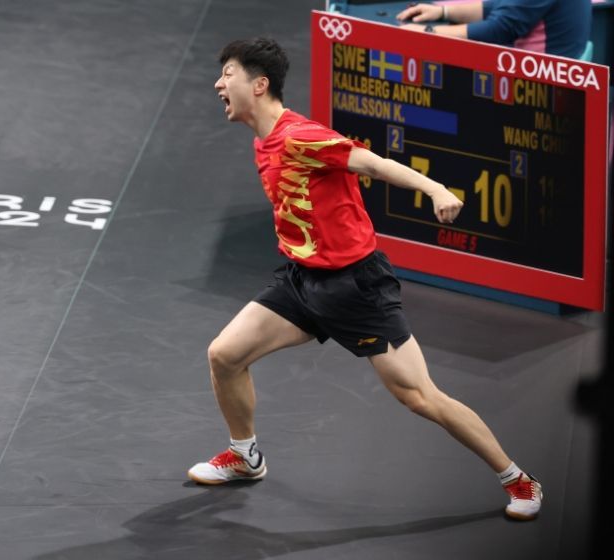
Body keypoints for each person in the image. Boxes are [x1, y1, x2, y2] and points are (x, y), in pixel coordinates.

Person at [187, 37, 543, 521]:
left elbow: (374, 164)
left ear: (260, 84)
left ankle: (518, 479)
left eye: (228, 73)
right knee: (225, 355)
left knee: (420, 397)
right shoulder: (262, 141)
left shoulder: (301, 137)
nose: (218, 84)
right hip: (302, 280)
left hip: (357, 287)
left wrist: (436, 188)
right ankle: (245, 456)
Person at [396, 0, 591, 59]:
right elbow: (499, 6)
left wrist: (428, 32)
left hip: (543, 84)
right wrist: (443, 12)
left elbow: (500, 29)